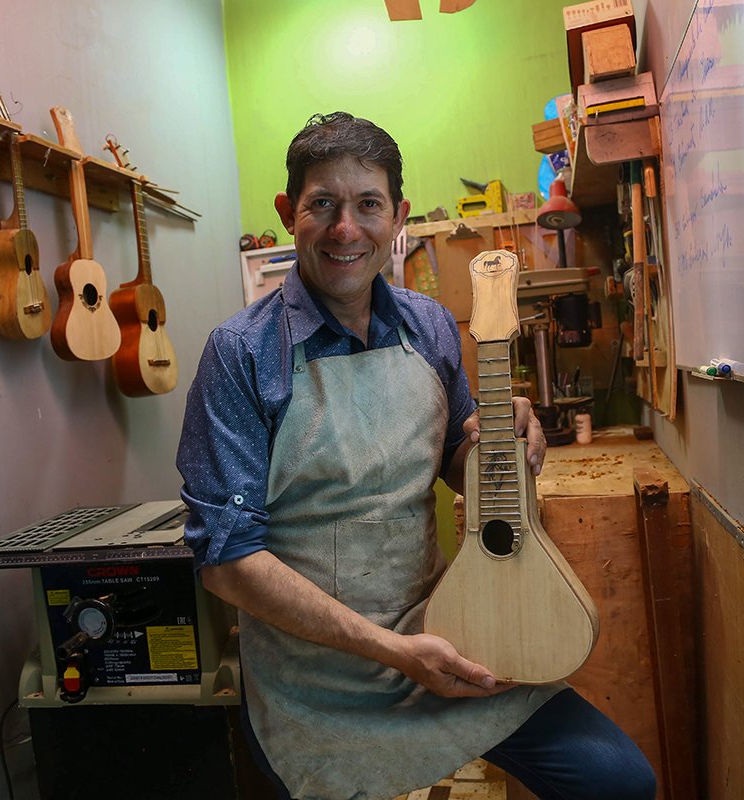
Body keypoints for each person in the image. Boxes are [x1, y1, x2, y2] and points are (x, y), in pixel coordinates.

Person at [177, 112, 655, 800]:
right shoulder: (242, 354)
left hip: (445, 634)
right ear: (288, 213)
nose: (346, 229)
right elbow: (227, 563)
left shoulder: (426, 324)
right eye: (323, 204)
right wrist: (395, 653)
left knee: (618, 780)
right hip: (314, 684)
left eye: (368, 205)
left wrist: (498, 444)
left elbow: (454, 455)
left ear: (398, 217)